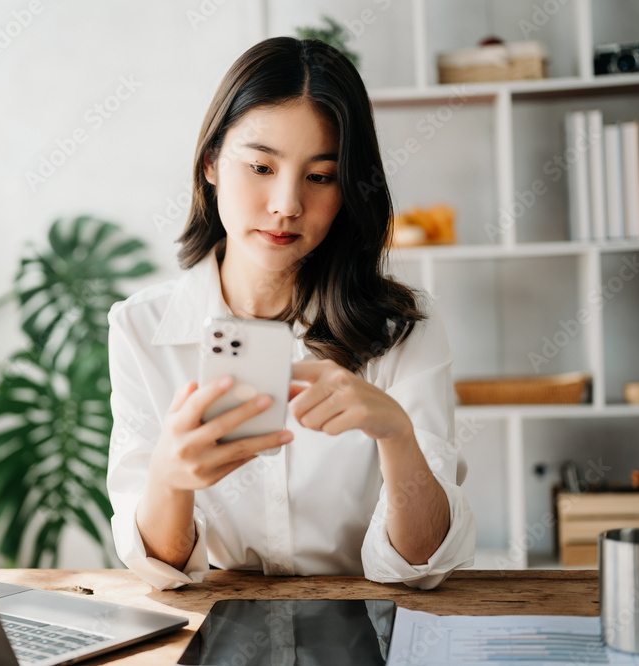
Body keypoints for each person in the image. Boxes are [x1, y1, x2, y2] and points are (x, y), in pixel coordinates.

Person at [105, 36, 476, 591]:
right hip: (218, 626)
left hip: (369, 625)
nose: (287, 204)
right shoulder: (141, 328)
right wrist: (169, 478)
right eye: (260, 166)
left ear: (348, 189)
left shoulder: (402, 328)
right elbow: (164, 569)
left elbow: (420, 564)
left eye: (320, 176)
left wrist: (397, 435)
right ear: (210, 162)